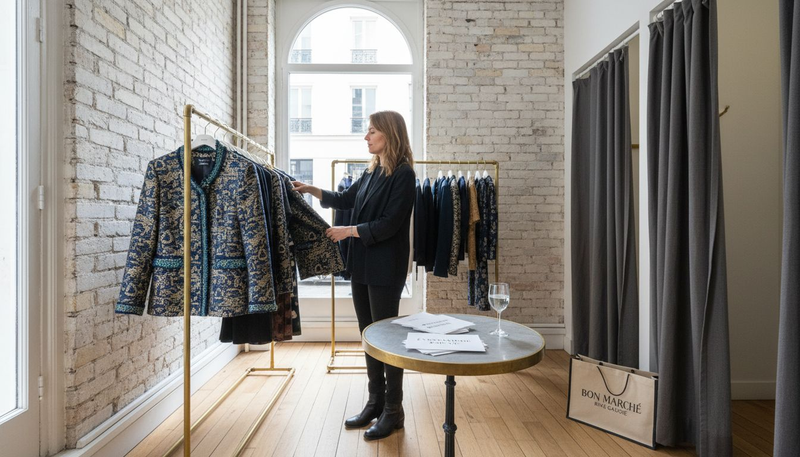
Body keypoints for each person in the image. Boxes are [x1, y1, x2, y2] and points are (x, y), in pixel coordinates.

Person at [292, 110, 416, 441]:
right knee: (369, 335)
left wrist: (348, 231)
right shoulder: (373, 171)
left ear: (388, 134)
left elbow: (390, 224)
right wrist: (313, 190)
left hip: (385, 268)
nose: (366, 137)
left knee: (387, 339)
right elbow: (347, 198)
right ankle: (375, 402)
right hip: (362, 265)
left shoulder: (403, 175)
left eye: (372, 131)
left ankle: (394, 410)